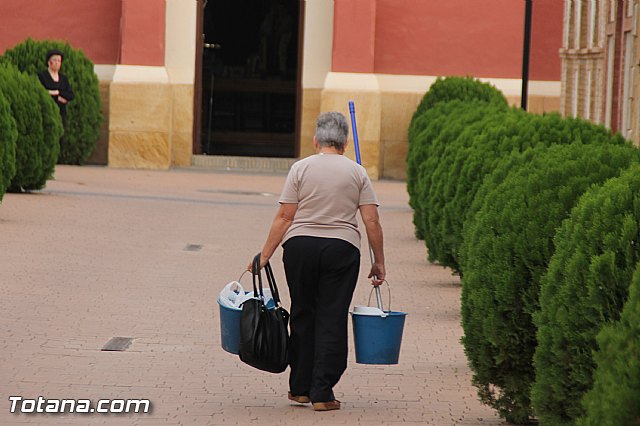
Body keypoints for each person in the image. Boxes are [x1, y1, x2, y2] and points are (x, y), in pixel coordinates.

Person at [249, 111, 385, 411]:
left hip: (299, 248)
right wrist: (379, 262)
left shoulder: (300, 168)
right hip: (342, 249)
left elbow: (285, 216)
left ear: (316, 140)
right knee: (331, 317)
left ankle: (299, 388)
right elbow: (371, 220)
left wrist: (265, 254)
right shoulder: (357, 172)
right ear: (345, 143)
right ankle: (322, 392)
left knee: (303, 313)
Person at [38, 49, 74, 122]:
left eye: (59, 61)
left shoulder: (63, 78)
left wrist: (57, 92)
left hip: (61, 114)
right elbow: (41, 93)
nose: (57, 63)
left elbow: (71, 95)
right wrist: (58, 98)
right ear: (49, 62)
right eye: (54, 60)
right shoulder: (42, 76)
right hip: (47, 113)